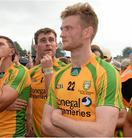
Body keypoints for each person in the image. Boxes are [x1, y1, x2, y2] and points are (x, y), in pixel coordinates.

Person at [42, 2, 124, 137]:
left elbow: (103, 133)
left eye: (68, 28)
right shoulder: (59, 75)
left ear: (87, 32)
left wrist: (59, 120)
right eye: (62, 29)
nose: (62, 34)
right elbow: (46, 126)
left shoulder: (107, 72)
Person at [29, 27, 66, 137]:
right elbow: (24, 99)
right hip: (37, 133)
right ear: (36, 47)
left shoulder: (66, 70)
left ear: (56, 45)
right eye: (43, 40)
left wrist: (48, 70)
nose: (48, 43)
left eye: (51, 40)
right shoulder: (31, 73)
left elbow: (56, 101)